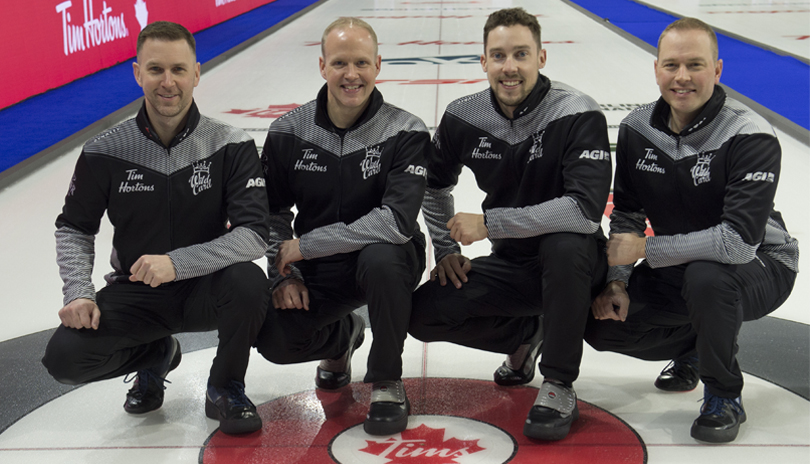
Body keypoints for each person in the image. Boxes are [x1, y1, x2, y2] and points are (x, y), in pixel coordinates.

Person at [41, 21, 271, 435]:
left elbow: (254, 233)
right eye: (155, 70)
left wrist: (177, 263)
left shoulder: (230, 143)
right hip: (137, 290)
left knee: (250, 282)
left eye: (179, 70)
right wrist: (78, 291)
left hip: (207, 285)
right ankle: (153, 354)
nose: (168, 82)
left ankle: (225, 387)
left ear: (197, 73)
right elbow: (73, 228)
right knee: (64, 359)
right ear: (136, 72)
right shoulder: (104, 149)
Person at [585, 18, 798, 444]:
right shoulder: (636, 128)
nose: (682, 77)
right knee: (604, 327)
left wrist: (647, 247)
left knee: (708, 276)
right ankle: (694, 347)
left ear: (717, 70)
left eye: (695, 65)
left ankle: (723, 394)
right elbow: (626, 211)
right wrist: (618, 282)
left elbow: (737, 243)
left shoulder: (749, 133)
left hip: (760, 264)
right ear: (657, 68)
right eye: (671, 65)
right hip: (679, 265)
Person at [408, 7, 611, 441]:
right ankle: (526, 334)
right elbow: (432, 187)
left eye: (521, 54)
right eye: (498, 56)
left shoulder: (578, 112)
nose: (510, 67)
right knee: (423, 314)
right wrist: (446, 248)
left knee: (564, 244)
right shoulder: (464, 116)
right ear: (483, 62)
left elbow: (583, 212)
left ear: (541, 57)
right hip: (515, 264)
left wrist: (491, 224)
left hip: (578, 262)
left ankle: (558, 383)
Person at [254, 17, 429, 436]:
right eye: (340, 63)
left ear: (378, 65)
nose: (351, 75)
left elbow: (396, 222)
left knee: (382, 257)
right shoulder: (288, 131)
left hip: (390, 257)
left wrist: (307, 246)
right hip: (318, 269)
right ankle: (342, 336)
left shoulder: (406, 129)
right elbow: (272, 214)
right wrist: (285, 274)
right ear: (322, 66)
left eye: (362, 63)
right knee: (274, 339)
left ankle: (387, 381)